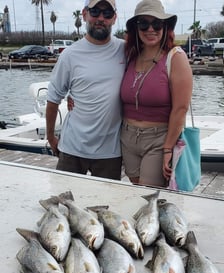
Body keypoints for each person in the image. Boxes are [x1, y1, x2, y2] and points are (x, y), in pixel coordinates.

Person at [45, 0, 126, 180]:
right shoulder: (69, 55)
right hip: (72, 148)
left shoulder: (125, 49)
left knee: (107, 205)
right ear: (84, 14)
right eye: (95, 11)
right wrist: (50, 136)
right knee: (63, 202)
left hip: (110, 152)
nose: (100, 18)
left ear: (114, 18)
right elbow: (53, 98)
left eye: (107, 13)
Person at [120, 0, 193, 187]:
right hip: (127, 137)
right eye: (143, 23)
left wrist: (168, 148)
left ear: (165, 27)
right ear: (136, 28)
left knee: (148, 194)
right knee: (137, 190)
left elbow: (181, 108)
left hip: (159, 138)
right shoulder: (130, 55)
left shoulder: (175, 57)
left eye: (157, 23)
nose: (150, 29)